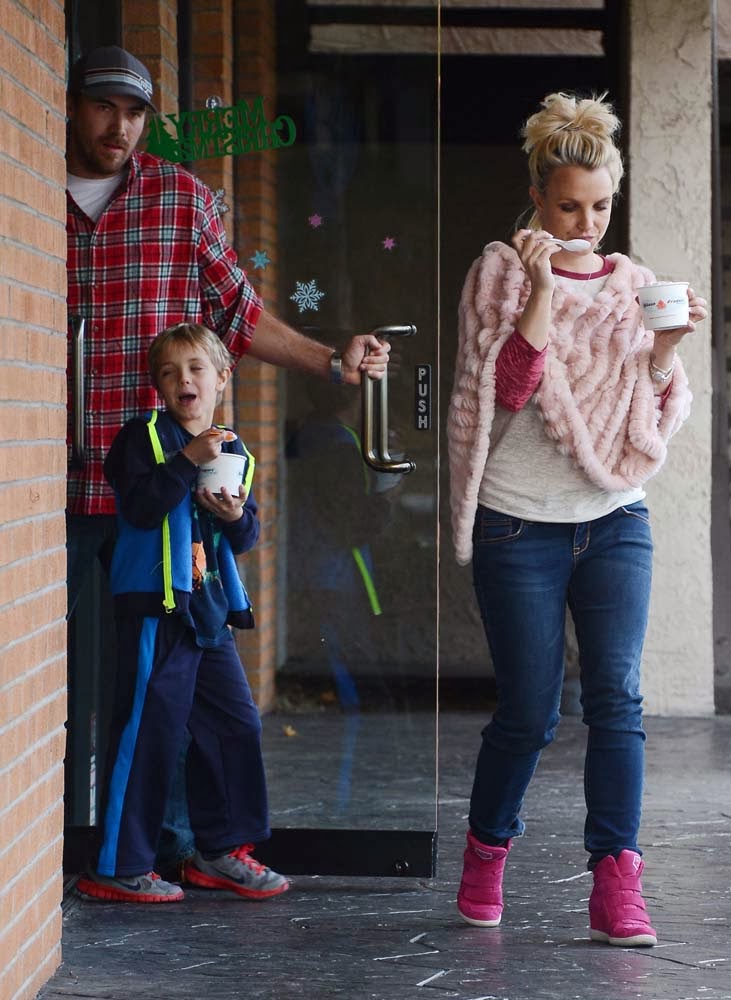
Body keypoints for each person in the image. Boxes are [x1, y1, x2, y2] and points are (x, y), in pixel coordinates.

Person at [65, 46, 389, 871]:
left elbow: (240, 317)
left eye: (135, 113)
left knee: (173, 690)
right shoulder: (28, 196)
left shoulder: (181, 199)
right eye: (105, 107)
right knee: (83, 684)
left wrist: (328, 362)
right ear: (70, 107)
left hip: (164, 495)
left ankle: (164, 849)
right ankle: (94, 846)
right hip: (58, 485)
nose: (120, 127)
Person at [447, 91, 707, 947]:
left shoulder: (633, 285)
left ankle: (615, 886)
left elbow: (646, 422)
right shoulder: (497, 270)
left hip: (614, 519)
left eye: (599, 206)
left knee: (617, 701)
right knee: (528, 711)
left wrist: (664, 352)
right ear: (536, 194)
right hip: (518, 525)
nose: (586, 223)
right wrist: (540, 287)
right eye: (568, 205)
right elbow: (509, 390)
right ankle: (487, 854)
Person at [76, 322, 287, 903]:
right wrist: (187, 459)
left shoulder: (234, 446)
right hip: (156, 608)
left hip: (209, 608)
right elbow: (141, 509)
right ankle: (120, 865)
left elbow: (245, 535)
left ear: (222, 376)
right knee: (149, 733)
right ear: (159, 389)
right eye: (169, 373)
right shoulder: (140, 437)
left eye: (195, 368)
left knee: (234, 724)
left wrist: (233, 514)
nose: (183, 380)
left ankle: (221, 852)